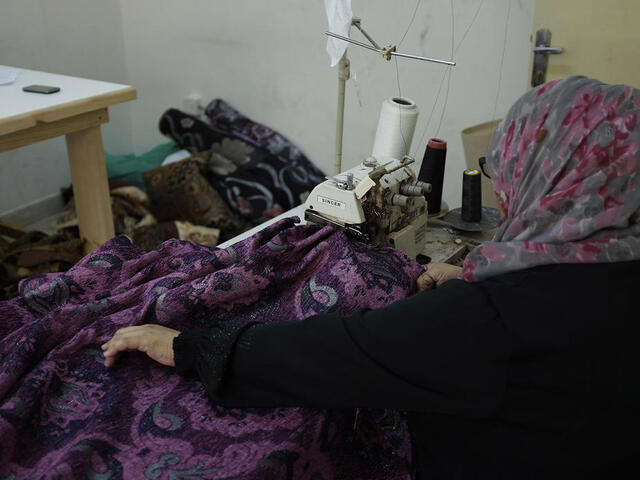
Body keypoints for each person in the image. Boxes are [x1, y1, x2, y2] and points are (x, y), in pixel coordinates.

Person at [102, 76, 640, 478]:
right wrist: (475, 275)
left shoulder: (501, 319)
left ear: (555, 175)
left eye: (511, 168)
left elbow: (345, 353)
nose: (502, 191)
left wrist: (194, 348)